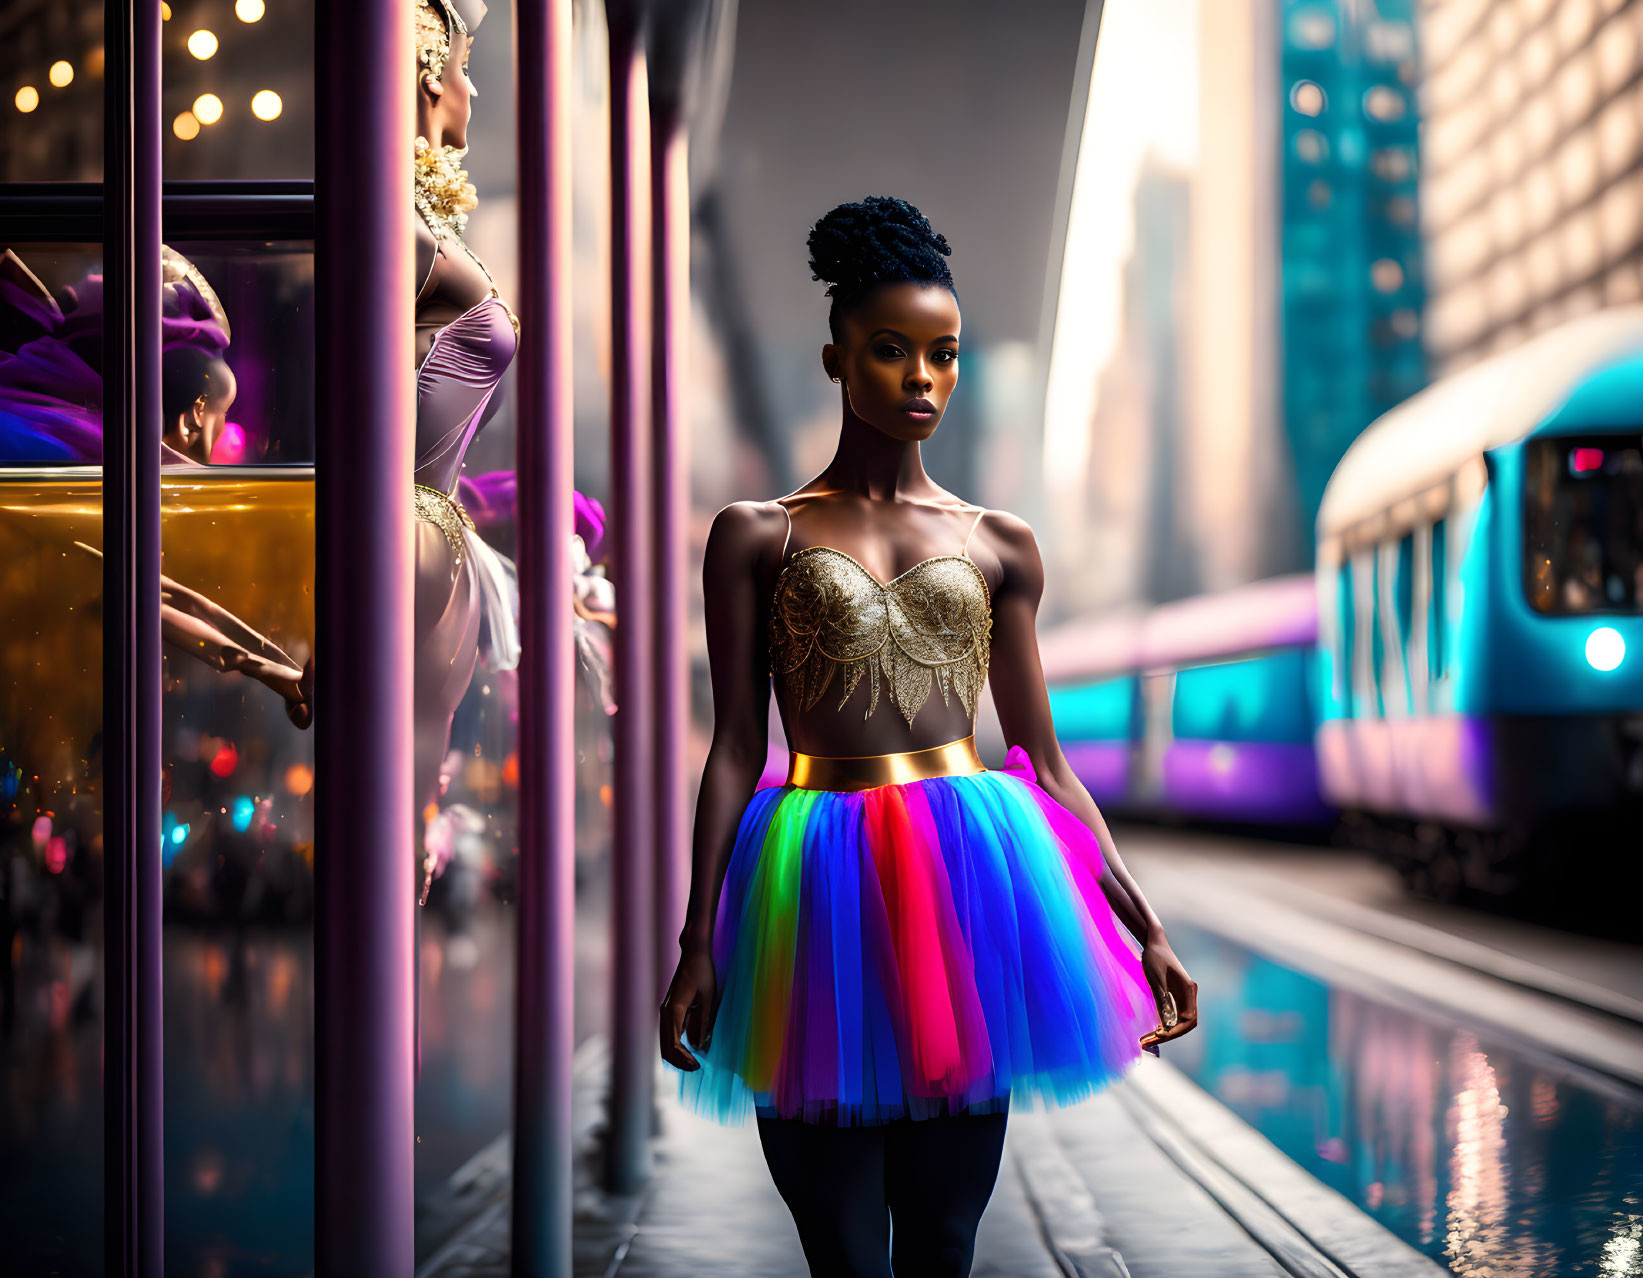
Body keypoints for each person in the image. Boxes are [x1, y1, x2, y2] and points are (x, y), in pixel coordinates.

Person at [659, 196, 1199, 1277]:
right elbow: (732, 749)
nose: (920, 379)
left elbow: (1044, 767)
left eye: (942, 356)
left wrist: (1143, 928)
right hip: (810, 893)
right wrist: (697, 939)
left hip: (969, 898)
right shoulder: (757, 535)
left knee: (944, 1243)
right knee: (845, 1254)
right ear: (835, 356)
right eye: (890, 352)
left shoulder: (1001, 544)